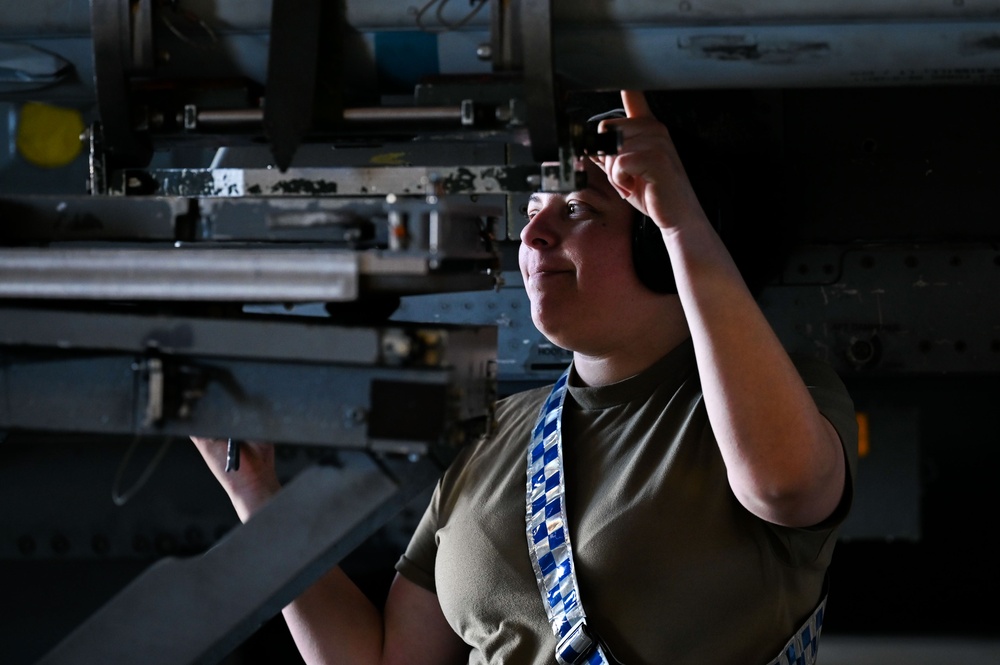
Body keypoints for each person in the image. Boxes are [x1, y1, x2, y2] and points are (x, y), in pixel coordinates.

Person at [192, 89, 858, 665]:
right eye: (536, 206)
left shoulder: (774, 400)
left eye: (576, 209)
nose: (533, 234)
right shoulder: (496, 436)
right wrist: (253, 490)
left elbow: (784, 483)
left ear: (659, 237)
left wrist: (680, 214)